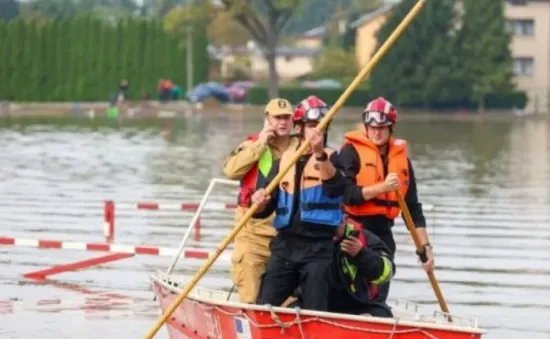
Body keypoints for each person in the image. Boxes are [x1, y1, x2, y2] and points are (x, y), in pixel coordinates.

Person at [251, 95, 346, 311]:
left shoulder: (333, 158)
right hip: (285, 245)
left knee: (315, 309)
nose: (316, 131)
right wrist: (259, 202)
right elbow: (265, 207)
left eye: (321, 126)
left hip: (318, 247)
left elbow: (337, 189)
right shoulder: (283, 160)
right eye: (312, 125)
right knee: (264, 305)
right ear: (300, 126)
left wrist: (320, 153)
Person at [339, 96, 434, 304]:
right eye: (372, 127)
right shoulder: (350, 152)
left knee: (378, 292)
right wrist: (382, 187)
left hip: (383, 234)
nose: (376, 131)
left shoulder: (402, 161)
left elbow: (413, 210)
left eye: (382, 127)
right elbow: (347, 195)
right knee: (350, 291)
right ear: (366, 126)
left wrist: (425, 247)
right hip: (354, 229)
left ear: (391, 128)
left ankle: (377, 315)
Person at [223, 98, 298, 304]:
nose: (282, 122)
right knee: (251, 298)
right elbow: (231, 171)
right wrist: (260, 144)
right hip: (253, 236)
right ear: (267, 119)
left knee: (290, 302)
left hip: (286, 238)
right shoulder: (252, 145)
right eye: (277, 118)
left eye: (286, 117)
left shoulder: (300, 147)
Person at [327, 218, 395, 317]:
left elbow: (387, 272)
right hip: (317, 303)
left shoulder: (364, 238)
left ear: (344, 216)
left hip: (357, 304)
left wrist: (362, 254)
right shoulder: (306, 238)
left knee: (382, 313)